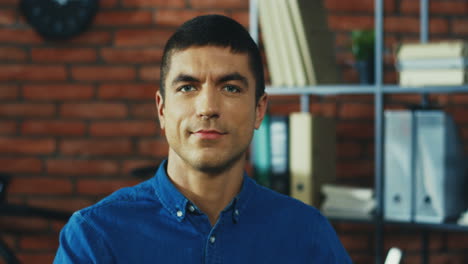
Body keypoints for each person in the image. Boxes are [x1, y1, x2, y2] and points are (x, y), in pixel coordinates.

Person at [54, 14, 352, 263]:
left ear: (259, 110)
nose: (208, 107)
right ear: (162, 108)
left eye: (231, 88)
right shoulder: (95, 236)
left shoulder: (308, 235)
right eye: (187, 88)